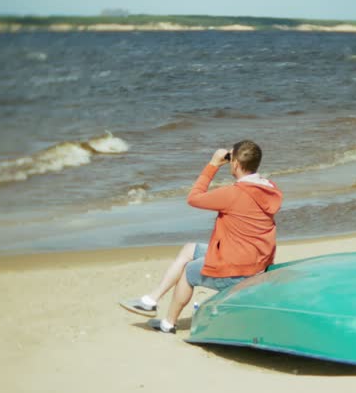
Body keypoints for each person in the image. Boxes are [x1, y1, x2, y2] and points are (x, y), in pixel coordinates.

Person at [120, 140, 283, 333]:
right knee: (190, 248)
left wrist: (213, 164)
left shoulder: (233, 194)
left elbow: (194, 197)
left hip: (238, 271)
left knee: (189, 272)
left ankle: (168, 324)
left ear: (236, 164)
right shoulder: (268, 188)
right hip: (255, 262)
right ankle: (151, 299)